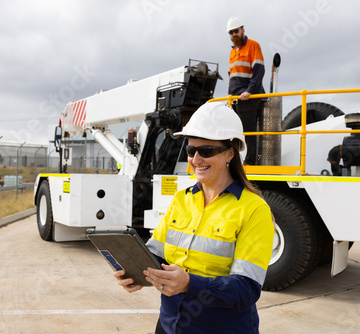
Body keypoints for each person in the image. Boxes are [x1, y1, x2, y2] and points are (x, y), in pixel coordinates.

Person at [114, 102, 274, 333]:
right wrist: (136, 272)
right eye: (191, 151)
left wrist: (189, 284)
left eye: (206, 151)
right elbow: (156, 254)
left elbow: (246, 289)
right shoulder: (181, 200)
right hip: (170, 324)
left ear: (230, 153)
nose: (196, 159)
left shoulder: (254, 209)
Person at [227, 16, 266, 165]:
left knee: (248, 131)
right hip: (236, 97)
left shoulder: (253, 45)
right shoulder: (232, 51)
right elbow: (232, 75)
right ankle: (237, 159)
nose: (234, 35)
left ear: (243, 30)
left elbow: (259, 70)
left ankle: (250, 161)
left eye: (236, 31)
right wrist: (229, 96)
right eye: (231, 32)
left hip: (248, 97)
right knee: (236, 131)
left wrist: (249, 91)